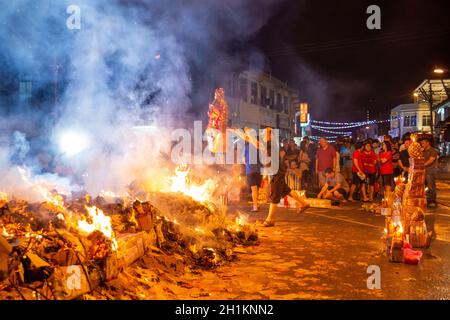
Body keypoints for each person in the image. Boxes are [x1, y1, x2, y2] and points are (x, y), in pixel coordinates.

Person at [262, 129, 310, 227]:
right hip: (277, 171)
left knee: (274, 196)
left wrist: (248, 134)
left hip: (277, 173)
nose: (263, 135)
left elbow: (257, 144)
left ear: (269, 135)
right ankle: (303, 203)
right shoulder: (271, 143)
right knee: (286, 190)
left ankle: (269, 220)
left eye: (264, 133)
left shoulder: (271, 143)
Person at [244, 140, 262, 212]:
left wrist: (248, 165)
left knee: (253, 189)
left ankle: (255, 207)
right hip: (258, 170)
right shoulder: (259, 148)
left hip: (250, 170)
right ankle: (256, 204)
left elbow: (243, 159)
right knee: (256, 189)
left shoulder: (246, 147)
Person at [421, 138, 438, 207]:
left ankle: (433, 200)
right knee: (425, 186)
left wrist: (423, 164)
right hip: (423, 171)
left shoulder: (432, 151)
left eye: (423, 143)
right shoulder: (423, 151)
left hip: (430, 171)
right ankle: (427, 199)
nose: (422, 145)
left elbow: (431, 160)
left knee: (431, 185)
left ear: (428, 143)